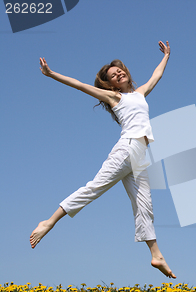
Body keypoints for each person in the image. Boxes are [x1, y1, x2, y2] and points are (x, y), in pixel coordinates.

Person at [30, 41, 176, 279]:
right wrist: (51, 73)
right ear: (111, 84)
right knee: (95, 188)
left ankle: (156, 255)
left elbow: (156, 75)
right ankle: (49, 221)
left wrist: (167, 56)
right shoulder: (114, 97)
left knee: (145, 204)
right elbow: (79, 85)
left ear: (127, 74)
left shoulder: (140, 93)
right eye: (114, 75)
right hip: (126, 149)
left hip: (139, 155)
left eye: (120, 71)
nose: (119, 74)